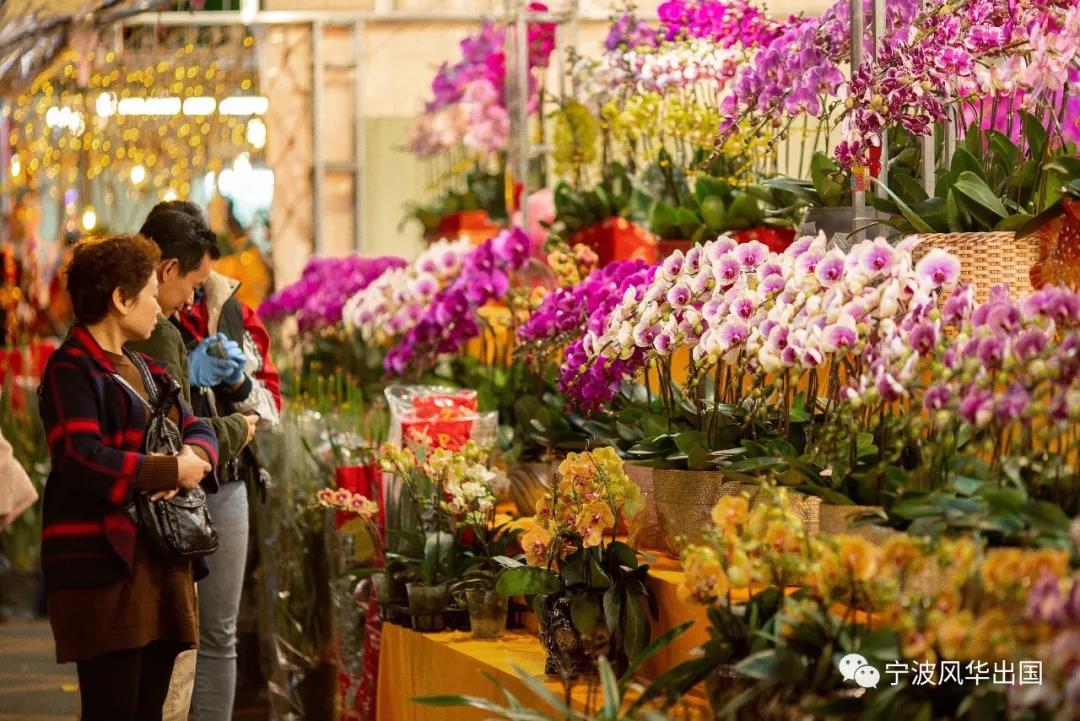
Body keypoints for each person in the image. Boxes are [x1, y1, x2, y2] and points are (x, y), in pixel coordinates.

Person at [37, 234, 218, 721]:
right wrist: (167, 470)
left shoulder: (148, 367)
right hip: (105, 570)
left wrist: (191, 456)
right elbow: (81, 458)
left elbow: (198, 425)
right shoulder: (70, 368)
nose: (160, 308)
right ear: (121, 299)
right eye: (151, 296)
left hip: (159, 565)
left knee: (148, 710)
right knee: (111, 707)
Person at [144, 200, 281, 721]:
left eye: (204, 283)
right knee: (166, 632)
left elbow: (270, 411)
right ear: (167, 269)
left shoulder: (228, 308)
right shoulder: (132, 313)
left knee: (219, 632)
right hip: (159, 486)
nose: (196, 294)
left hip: (225, 484)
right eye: (194, 282)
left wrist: (241, 385)